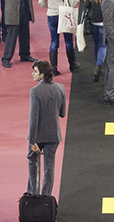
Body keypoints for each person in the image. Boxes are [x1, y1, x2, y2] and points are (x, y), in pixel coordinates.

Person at [27, 60, 67, 197]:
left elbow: (34, 119)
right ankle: (45, 199)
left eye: (35, 71)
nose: (32, 73)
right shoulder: (60, 88)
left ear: (43, 75)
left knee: (33, 162)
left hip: (38, 136)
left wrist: (33, 141)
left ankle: (32, 194)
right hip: (53, 135)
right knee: (49, 168)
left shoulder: (35, 91)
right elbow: (62, 113)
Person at [39, 0, 79, 75]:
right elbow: (72, 3)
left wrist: (50, 6)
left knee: (54, 42)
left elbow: (41, 2)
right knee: (68, 41)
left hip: (52, 16)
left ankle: (53, 68)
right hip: (65, 16)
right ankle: (72, 65)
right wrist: (77, 0)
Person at [84, 0, 110, 81]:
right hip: (105, 21)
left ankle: (97, 64)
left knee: (96, 45)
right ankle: (99, 65)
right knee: (103, 45)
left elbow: (86, 5)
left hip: (94, 20)